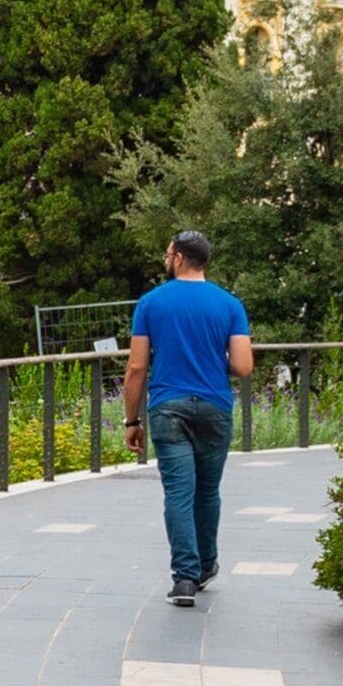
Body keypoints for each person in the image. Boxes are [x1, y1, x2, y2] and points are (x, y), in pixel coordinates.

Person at [123, 229, 257, 606]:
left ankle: (183, 579)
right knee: (207, 490)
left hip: (168, 406)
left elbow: (136, 368)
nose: (166, 259)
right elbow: (244, 366)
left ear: (179, 257)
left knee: (179, 492)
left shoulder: (151, 303)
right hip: (215, 406)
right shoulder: (230, 304)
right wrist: (212, 362)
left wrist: (131, 421)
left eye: (168, 253)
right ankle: (206, 566)